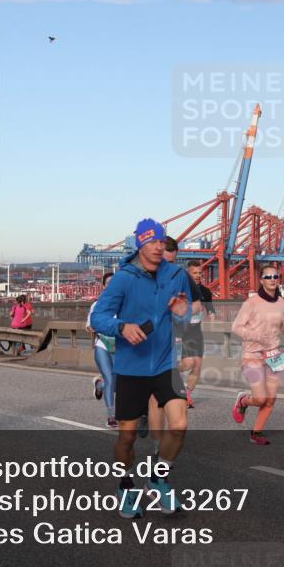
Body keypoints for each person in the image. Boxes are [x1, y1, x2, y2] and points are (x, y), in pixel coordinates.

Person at [90, 218, 191, 518]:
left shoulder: (176, 274)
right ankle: (125, 486)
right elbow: (99, 318)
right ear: (141, 245)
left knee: (180, 425)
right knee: (128, 437)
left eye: (163, 241)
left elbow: (186, 318)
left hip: (165, 363)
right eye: (153, 242)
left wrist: (183, 313)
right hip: (132, 368)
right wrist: (122, 327)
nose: (160, 247)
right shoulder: (123, 279)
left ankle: (158, 477)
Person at [231, 263, 284, 444]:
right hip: (253, 355)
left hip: (274, 354)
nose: (273, 280)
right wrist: (256, 336)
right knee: (260, 398)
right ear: (261, 280)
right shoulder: (251, 302)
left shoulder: (281, 302)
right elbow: (236, 327)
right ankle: (243, 401)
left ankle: (256, 432)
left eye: (275, 277)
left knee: (270, 400)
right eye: (268, 277)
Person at [182, 259, 215, 408]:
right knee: (188, 363)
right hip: (180, 332)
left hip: (196, 332)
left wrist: (212, 315)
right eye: (194, 273)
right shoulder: (181, 290)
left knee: (197, 366)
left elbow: (211, 310)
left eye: (200, 273)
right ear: (188, 273)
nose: (198, 275)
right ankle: (163, 375)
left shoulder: (206, 292)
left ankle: (187, 395)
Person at [87, 273, 118, 428]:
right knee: (110, 380)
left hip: (120, 346)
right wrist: (95, 326)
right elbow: (89, 326)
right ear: (104, 286)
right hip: (103, 344)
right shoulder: (97, 305)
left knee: (118, 384)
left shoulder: (124, 304)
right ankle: (111, 416)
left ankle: (99, 385)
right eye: (109, 283)